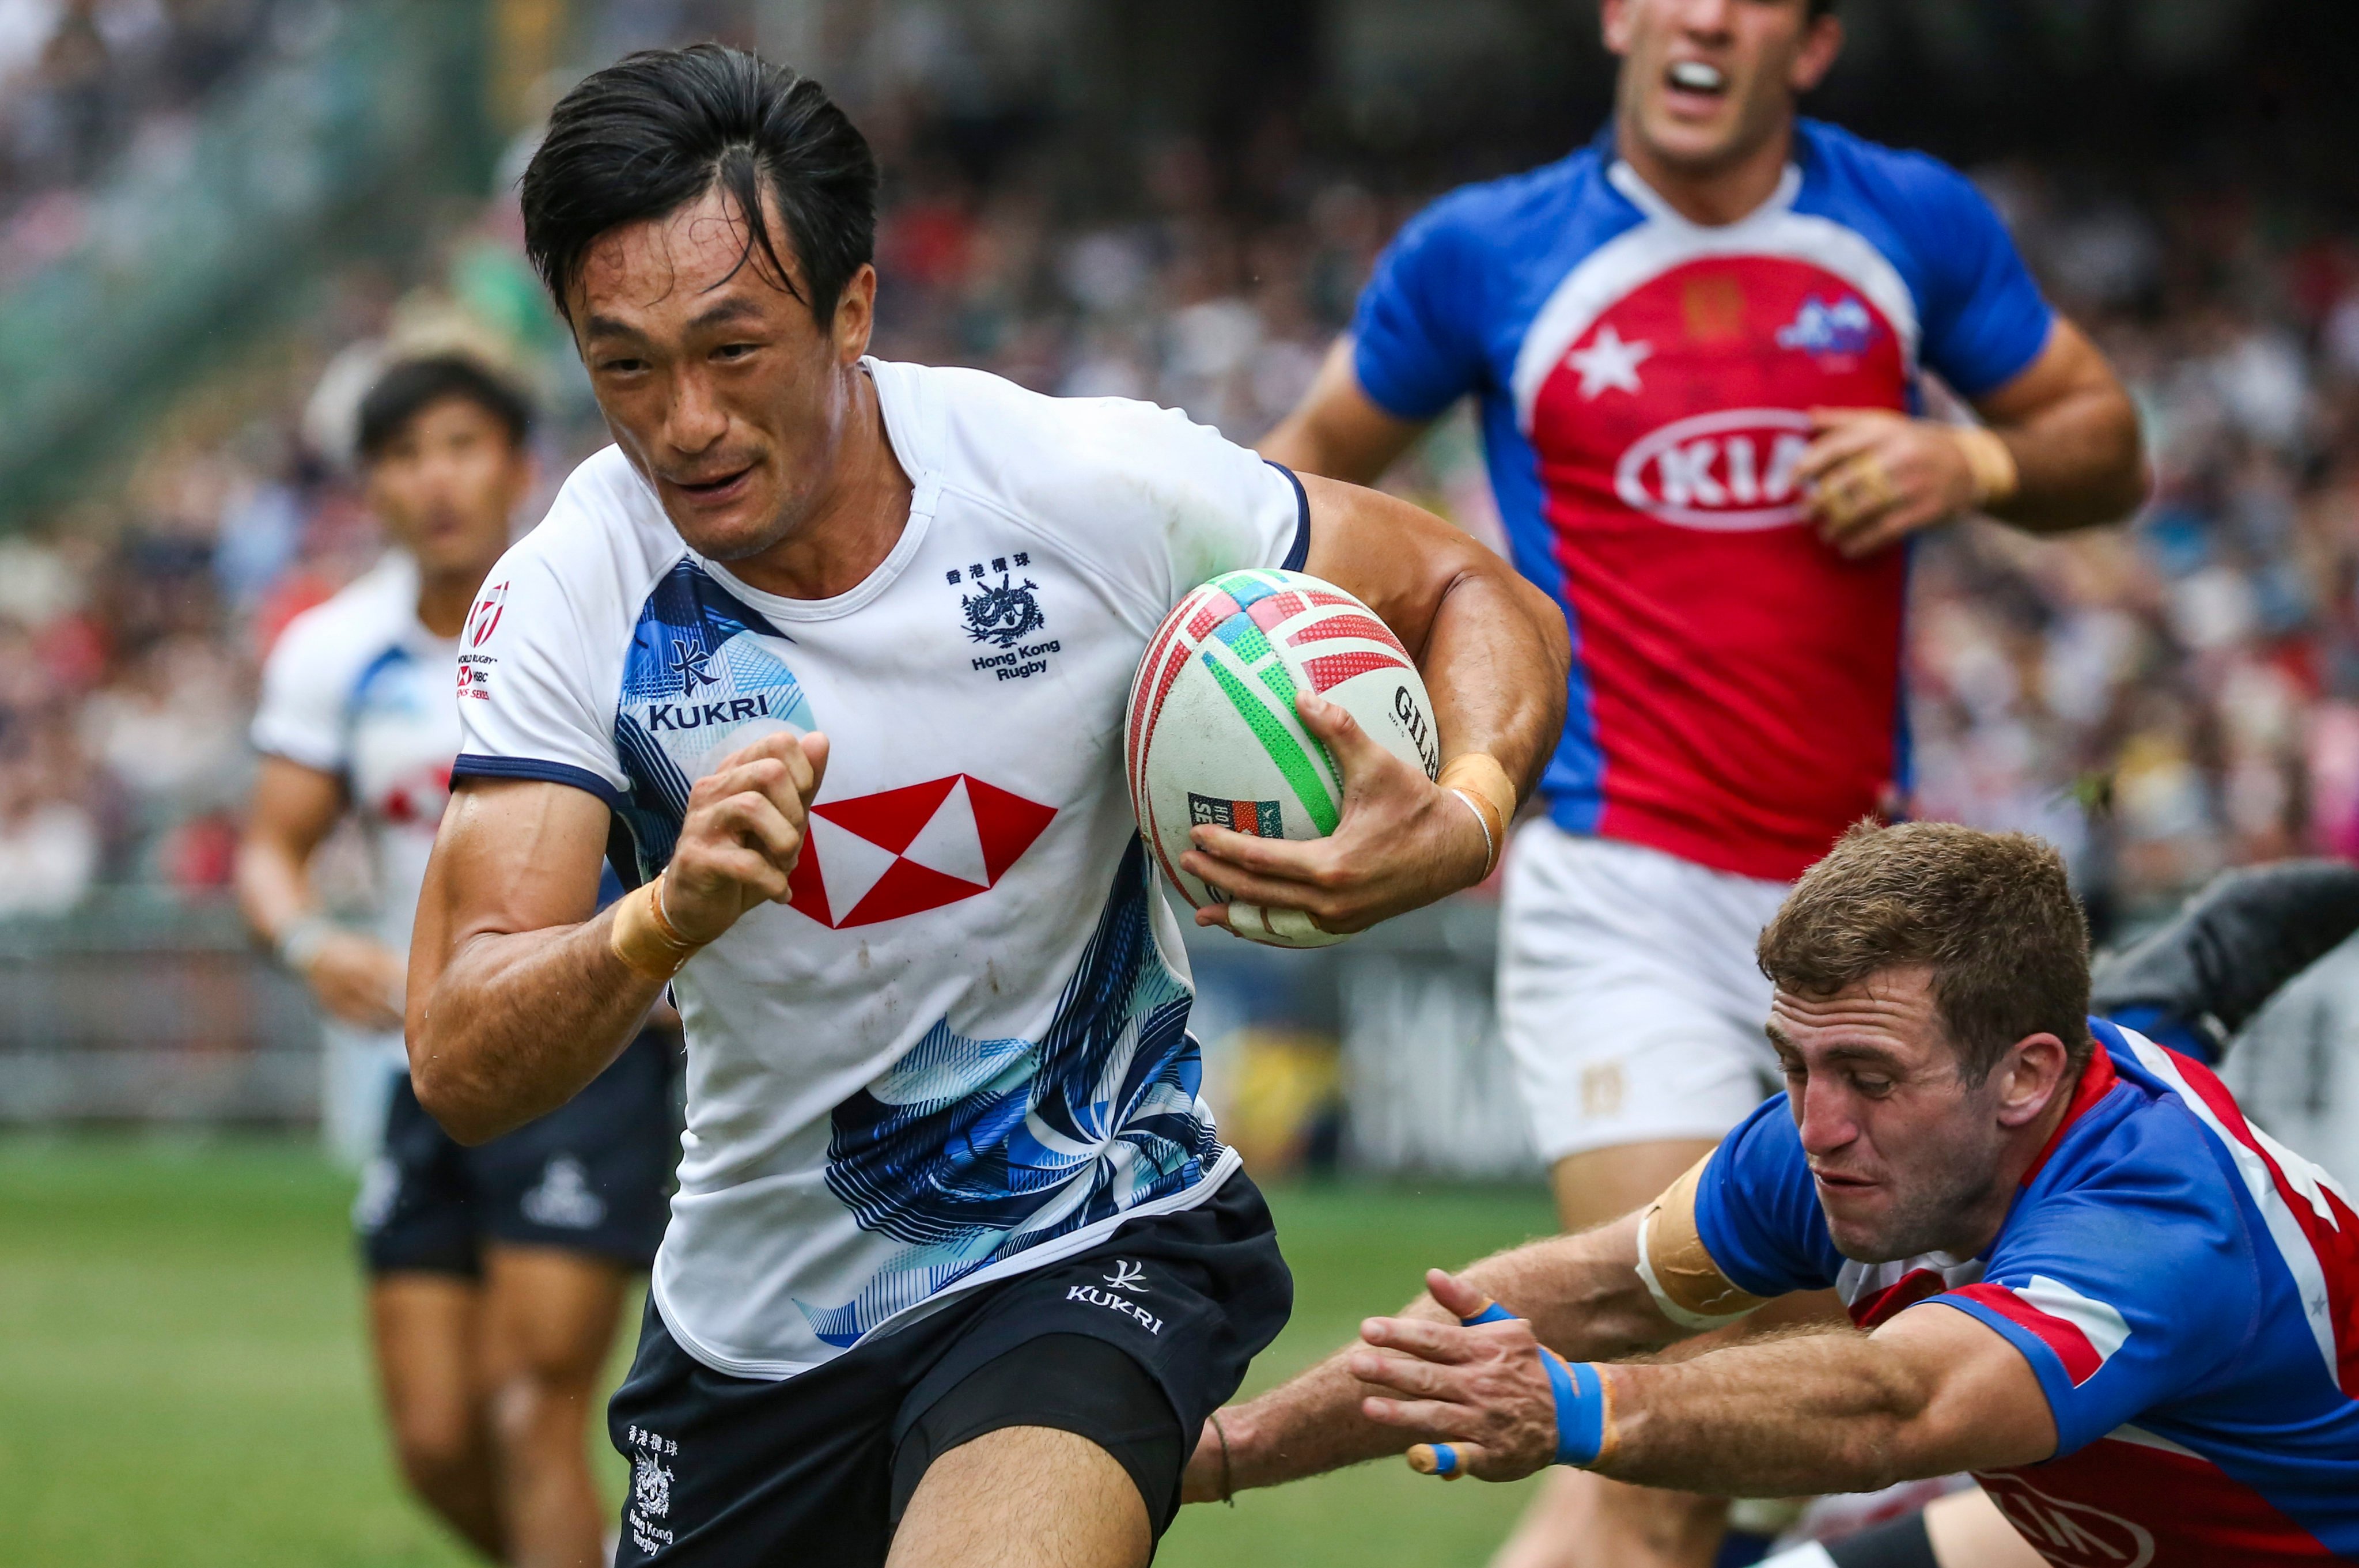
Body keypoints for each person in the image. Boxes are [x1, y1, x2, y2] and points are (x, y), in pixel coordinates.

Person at [404, 44, 1567, 1568]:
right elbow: (461, 1055)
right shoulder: (575, 596)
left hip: (1092, 1232)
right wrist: (657, 921)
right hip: (760, 1326)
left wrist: (1466, 811)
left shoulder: (1081, 486)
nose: (683, 419)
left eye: (733, 348)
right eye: (625, 365)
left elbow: (1468, 588)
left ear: (853, 311)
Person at [1256, 0, 2148, 1559]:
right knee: (1681, 1421)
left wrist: (1975, 462)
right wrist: (1354, 691)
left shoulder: (1909, 224)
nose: (1702, 14)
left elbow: (2106, 442)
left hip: (1865, 924)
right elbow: (1283, 494)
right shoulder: (1484, 252)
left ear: (1809, 45)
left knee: (1793, 1421)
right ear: (1618, 17)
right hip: (1624, 888)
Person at [1183, 821, 2359, 1566]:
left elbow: (1892, 1408)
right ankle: (2168, 998)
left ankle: (2168, 996)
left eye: (1865, 1074)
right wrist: (1218, 1449)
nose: (1813, 1122)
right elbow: (1585, 1293)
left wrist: (1572, 1407)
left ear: (2026, 1073)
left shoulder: (2153, 1230)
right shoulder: (1850, 1136)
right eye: (1793, 1062)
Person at [238, 355, 678, 1568]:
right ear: (368, 487)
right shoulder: (333, 651)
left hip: (592, 1063)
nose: (436, 480)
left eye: (461, 445)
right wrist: (307, 938)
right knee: (435, 1441)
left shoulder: (598, 620)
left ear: (518, 464)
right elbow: (269, 850)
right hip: (426, 1067)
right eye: (403, 455)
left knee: (528, 1405)